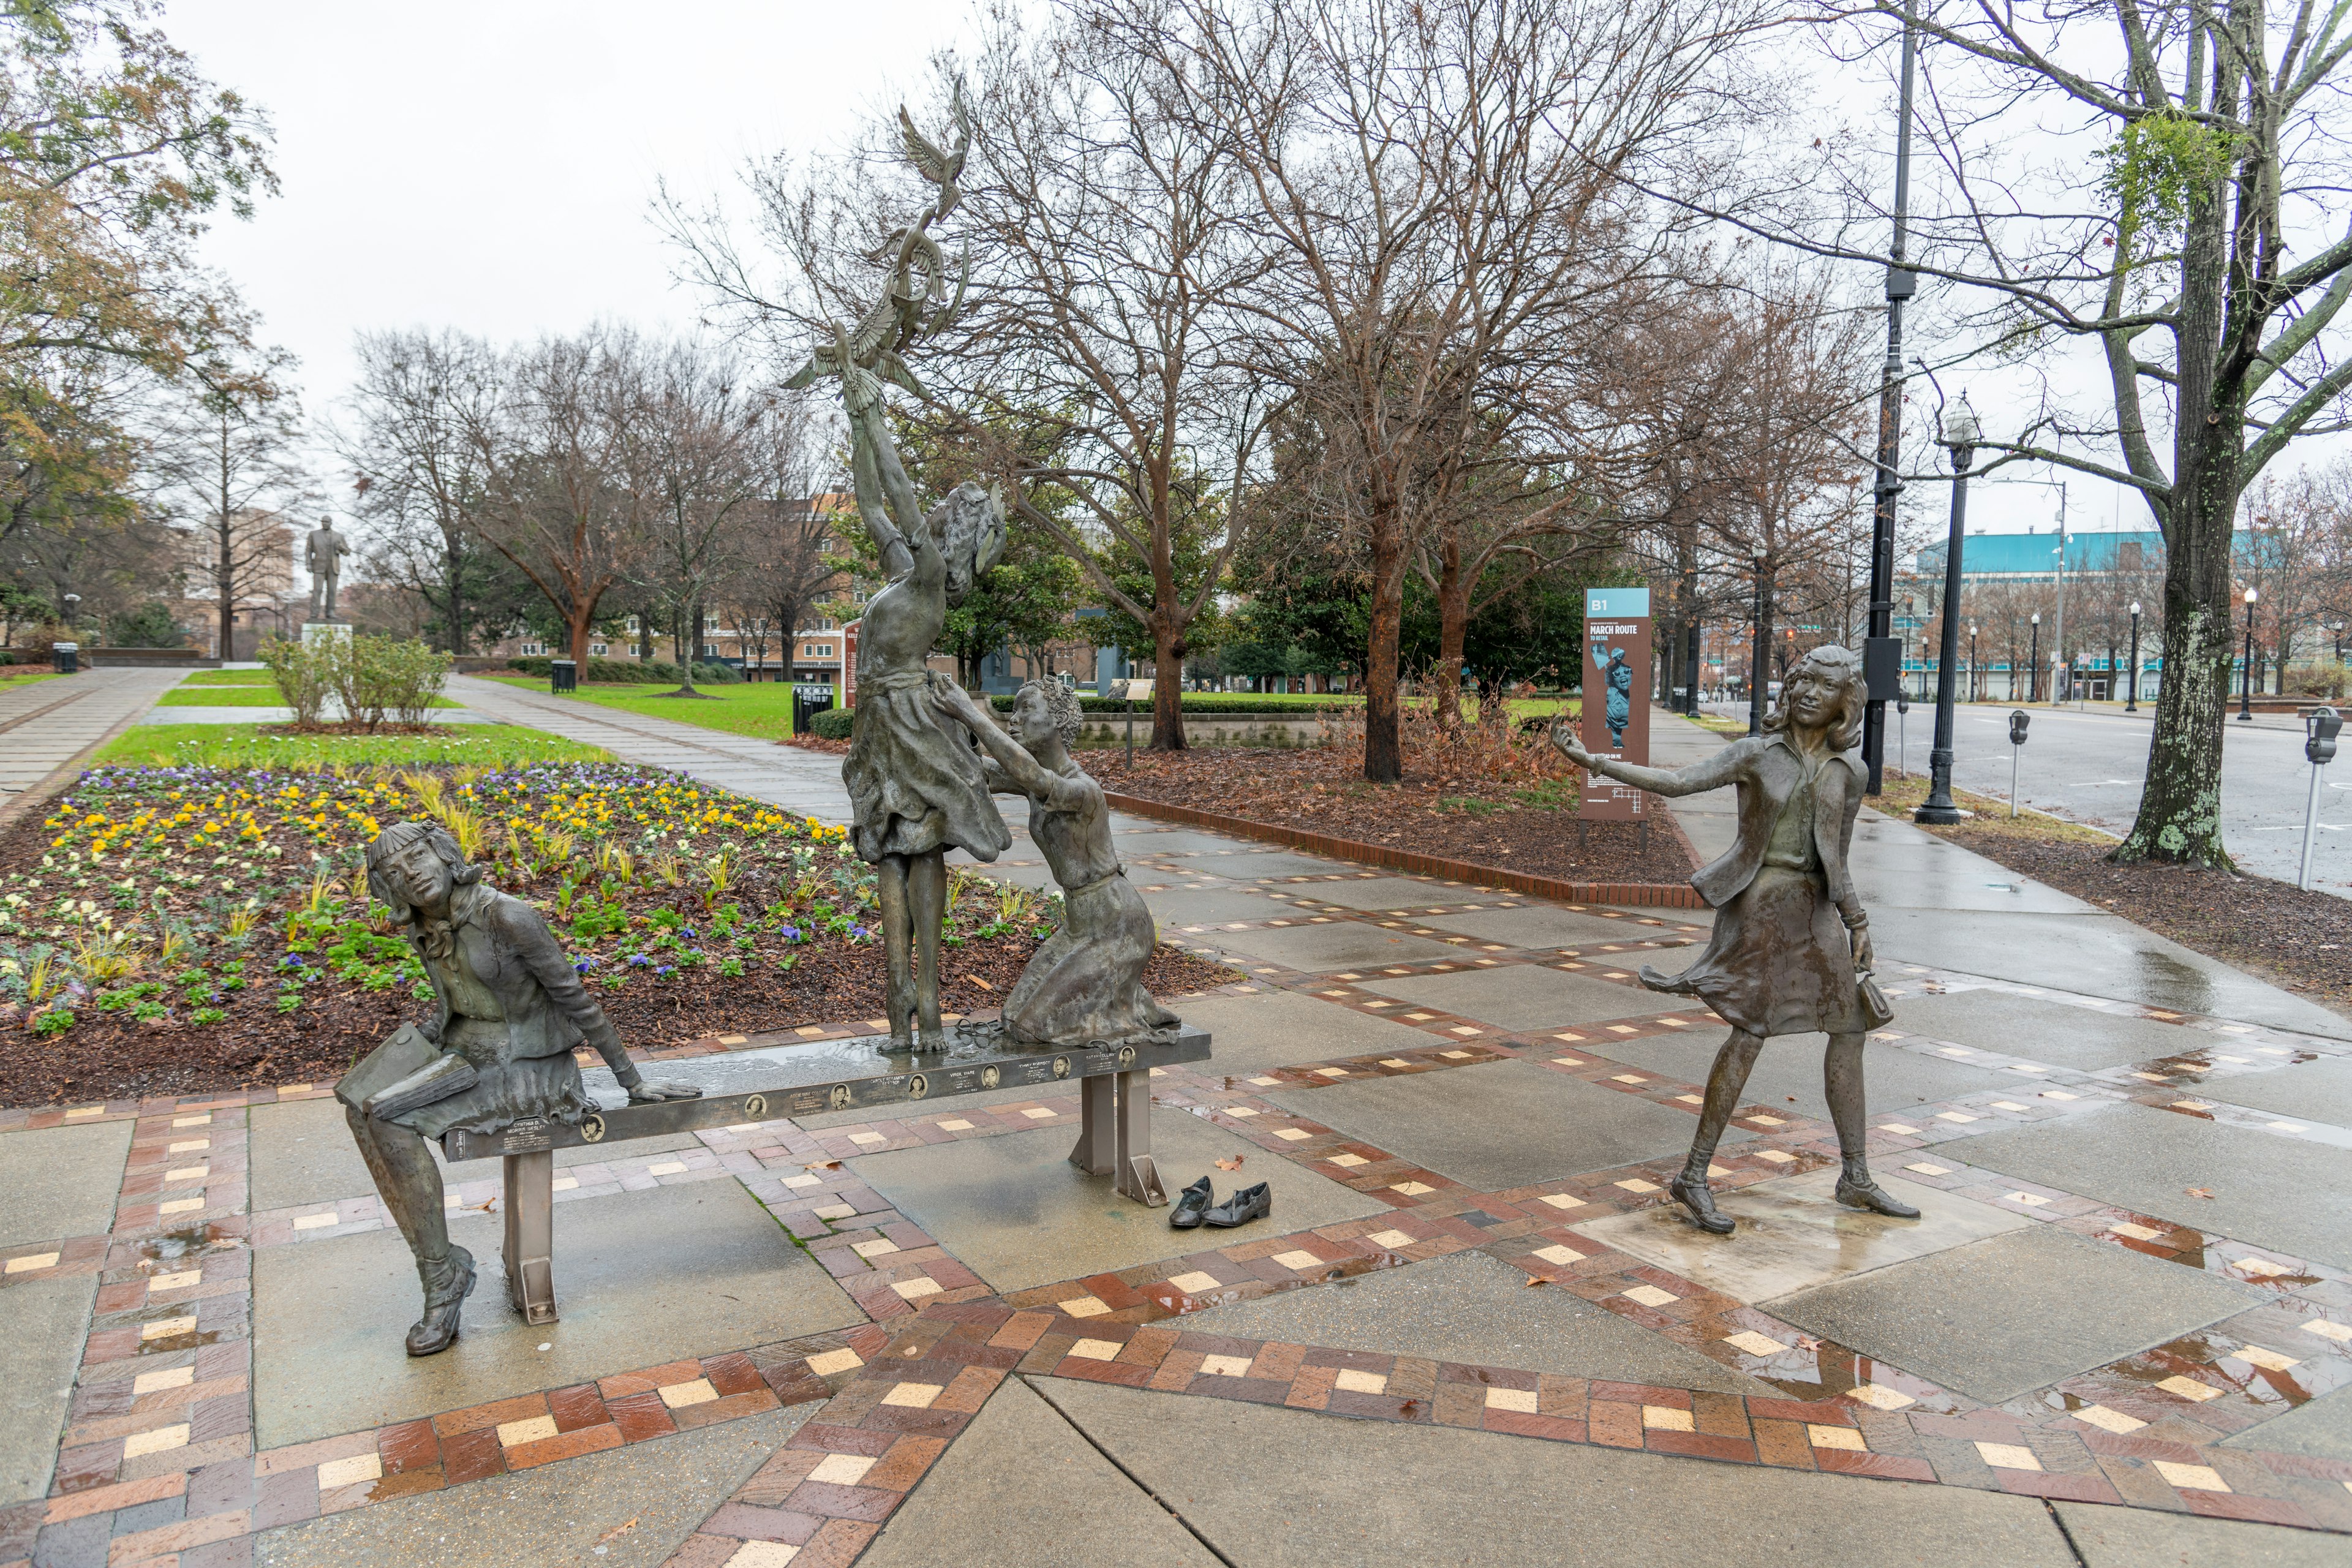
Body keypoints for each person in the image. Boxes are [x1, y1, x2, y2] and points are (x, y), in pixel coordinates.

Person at [1552, 644, 1914, 1236]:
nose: (1804, 693)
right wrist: (1594, 761)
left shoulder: (1852, 772)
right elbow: (1675, 782)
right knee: (1750, 1033)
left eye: (1821, 687)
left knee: (1849, 1030)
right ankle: (1693, 1175)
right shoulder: (1756, 754)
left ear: (1845, 703)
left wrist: (1859, 924)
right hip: (1760, 907)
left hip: (1817, 910)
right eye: (1799, 681)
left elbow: (1839, 860)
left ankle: (1855, 1176)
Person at [340, 821, 700, 1355]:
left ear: (443, 855)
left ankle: (442, 1281)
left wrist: (633, 1079)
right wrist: (414, 1047)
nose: (411, 877)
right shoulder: (425, 925)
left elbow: (573, 996)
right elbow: (453, 1002)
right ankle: (443, 1264)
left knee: (388, 1118)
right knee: (357, 1106)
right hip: (464, 1050)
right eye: (395, 873)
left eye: (417, 859)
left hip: (529, 1067)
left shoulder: (506, 915)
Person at [837, 399, 1013, 1050]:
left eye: (947, 508)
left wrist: (875, 413)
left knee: (922, 844)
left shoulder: (931, 578)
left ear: (952, 531)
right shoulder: (904, 574)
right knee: (887, 846)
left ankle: (932, 996)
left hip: (912, 718)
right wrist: (857, 427)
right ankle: (898, 999)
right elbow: (870, 503)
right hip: (880, 724)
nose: (933, 508)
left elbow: (900, 492)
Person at [933, 677, 1177, 1046]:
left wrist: (970, 712)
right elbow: (979, 769)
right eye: (1012, 711)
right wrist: (943, 723)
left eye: (1025, 710)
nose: (1014, 720)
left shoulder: (1082, 790)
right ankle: (1114, 994)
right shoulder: (1033, 780)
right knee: (1015, 1019)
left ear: (1058, 720)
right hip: (1081, 924)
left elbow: (1032, 775)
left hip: (1118, 925)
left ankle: (1120, 999)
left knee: (1034, 1029)